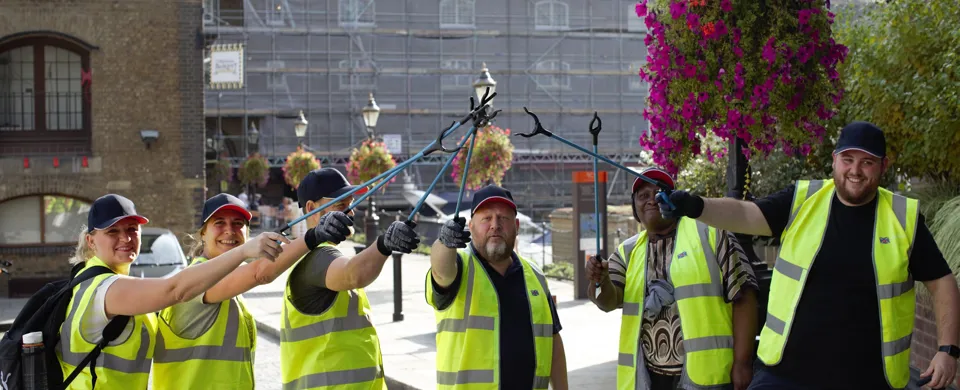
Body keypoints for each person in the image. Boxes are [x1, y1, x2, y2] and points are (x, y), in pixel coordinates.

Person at [660, 122, 960, 390]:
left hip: (868, 379)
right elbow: (744, 213)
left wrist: (948, 350)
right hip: (785, 377)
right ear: (834, 161)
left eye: (867, 162)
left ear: (883, 165)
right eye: (848, 159)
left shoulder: (902, 218)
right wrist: (696, 206)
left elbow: (942, 282)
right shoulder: (802, 201)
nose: (855, 170)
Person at [58, 194, 287, 389]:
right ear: (90, 241)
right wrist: (245, 251)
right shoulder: (103, 288)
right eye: (112, 231)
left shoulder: (107, 283)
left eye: (132, 229)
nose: (125, 238)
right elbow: (175, 289)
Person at [151, 193, 352, 389]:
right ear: (203, 233)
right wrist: (313, 236)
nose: (229, 230)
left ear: (247, 233)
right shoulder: (196, 279)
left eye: (238, 224)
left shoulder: (231, 284)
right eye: (219, 222)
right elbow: (259, 273)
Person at [586, 167, 758, 390]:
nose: (651, 200)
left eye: (659, 192)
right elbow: (606, 301)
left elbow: (745, 296)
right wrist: (599, 280)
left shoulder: (712, 234)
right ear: (635, 208)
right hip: (649, 380)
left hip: (708, 379)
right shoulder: (626, 252)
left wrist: (743, 362)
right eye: (643, 195)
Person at [281, 168, 420, 389]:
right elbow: (353, 274)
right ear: (311, 209)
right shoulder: (317, 256)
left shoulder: (323, 255)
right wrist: (384, 244)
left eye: (352, 203)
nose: (352, 212)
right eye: (341, 205)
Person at [428, 185, 568, 389]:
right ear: (471, 226)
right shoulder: (459, 268)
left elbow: (553, 339)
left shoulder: (535, 275)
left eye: (503, 218)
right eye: (486, 218)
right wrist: (445, 242)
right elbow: (441, 269)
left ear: (517, 226)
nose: (495, 225)